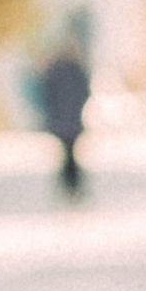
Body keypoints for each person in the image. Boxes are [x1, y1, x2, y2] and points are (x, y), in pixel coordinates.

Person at [36, 37, 92, 196]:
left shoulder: (54, 71)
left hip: (61, 120)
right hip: (72, 120)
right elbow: (85, 91)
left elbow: (45, 95)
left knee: (67, 154)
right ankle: (73, 185)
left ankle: (69, 185)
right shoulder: (76, 69)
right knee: (70, 154)